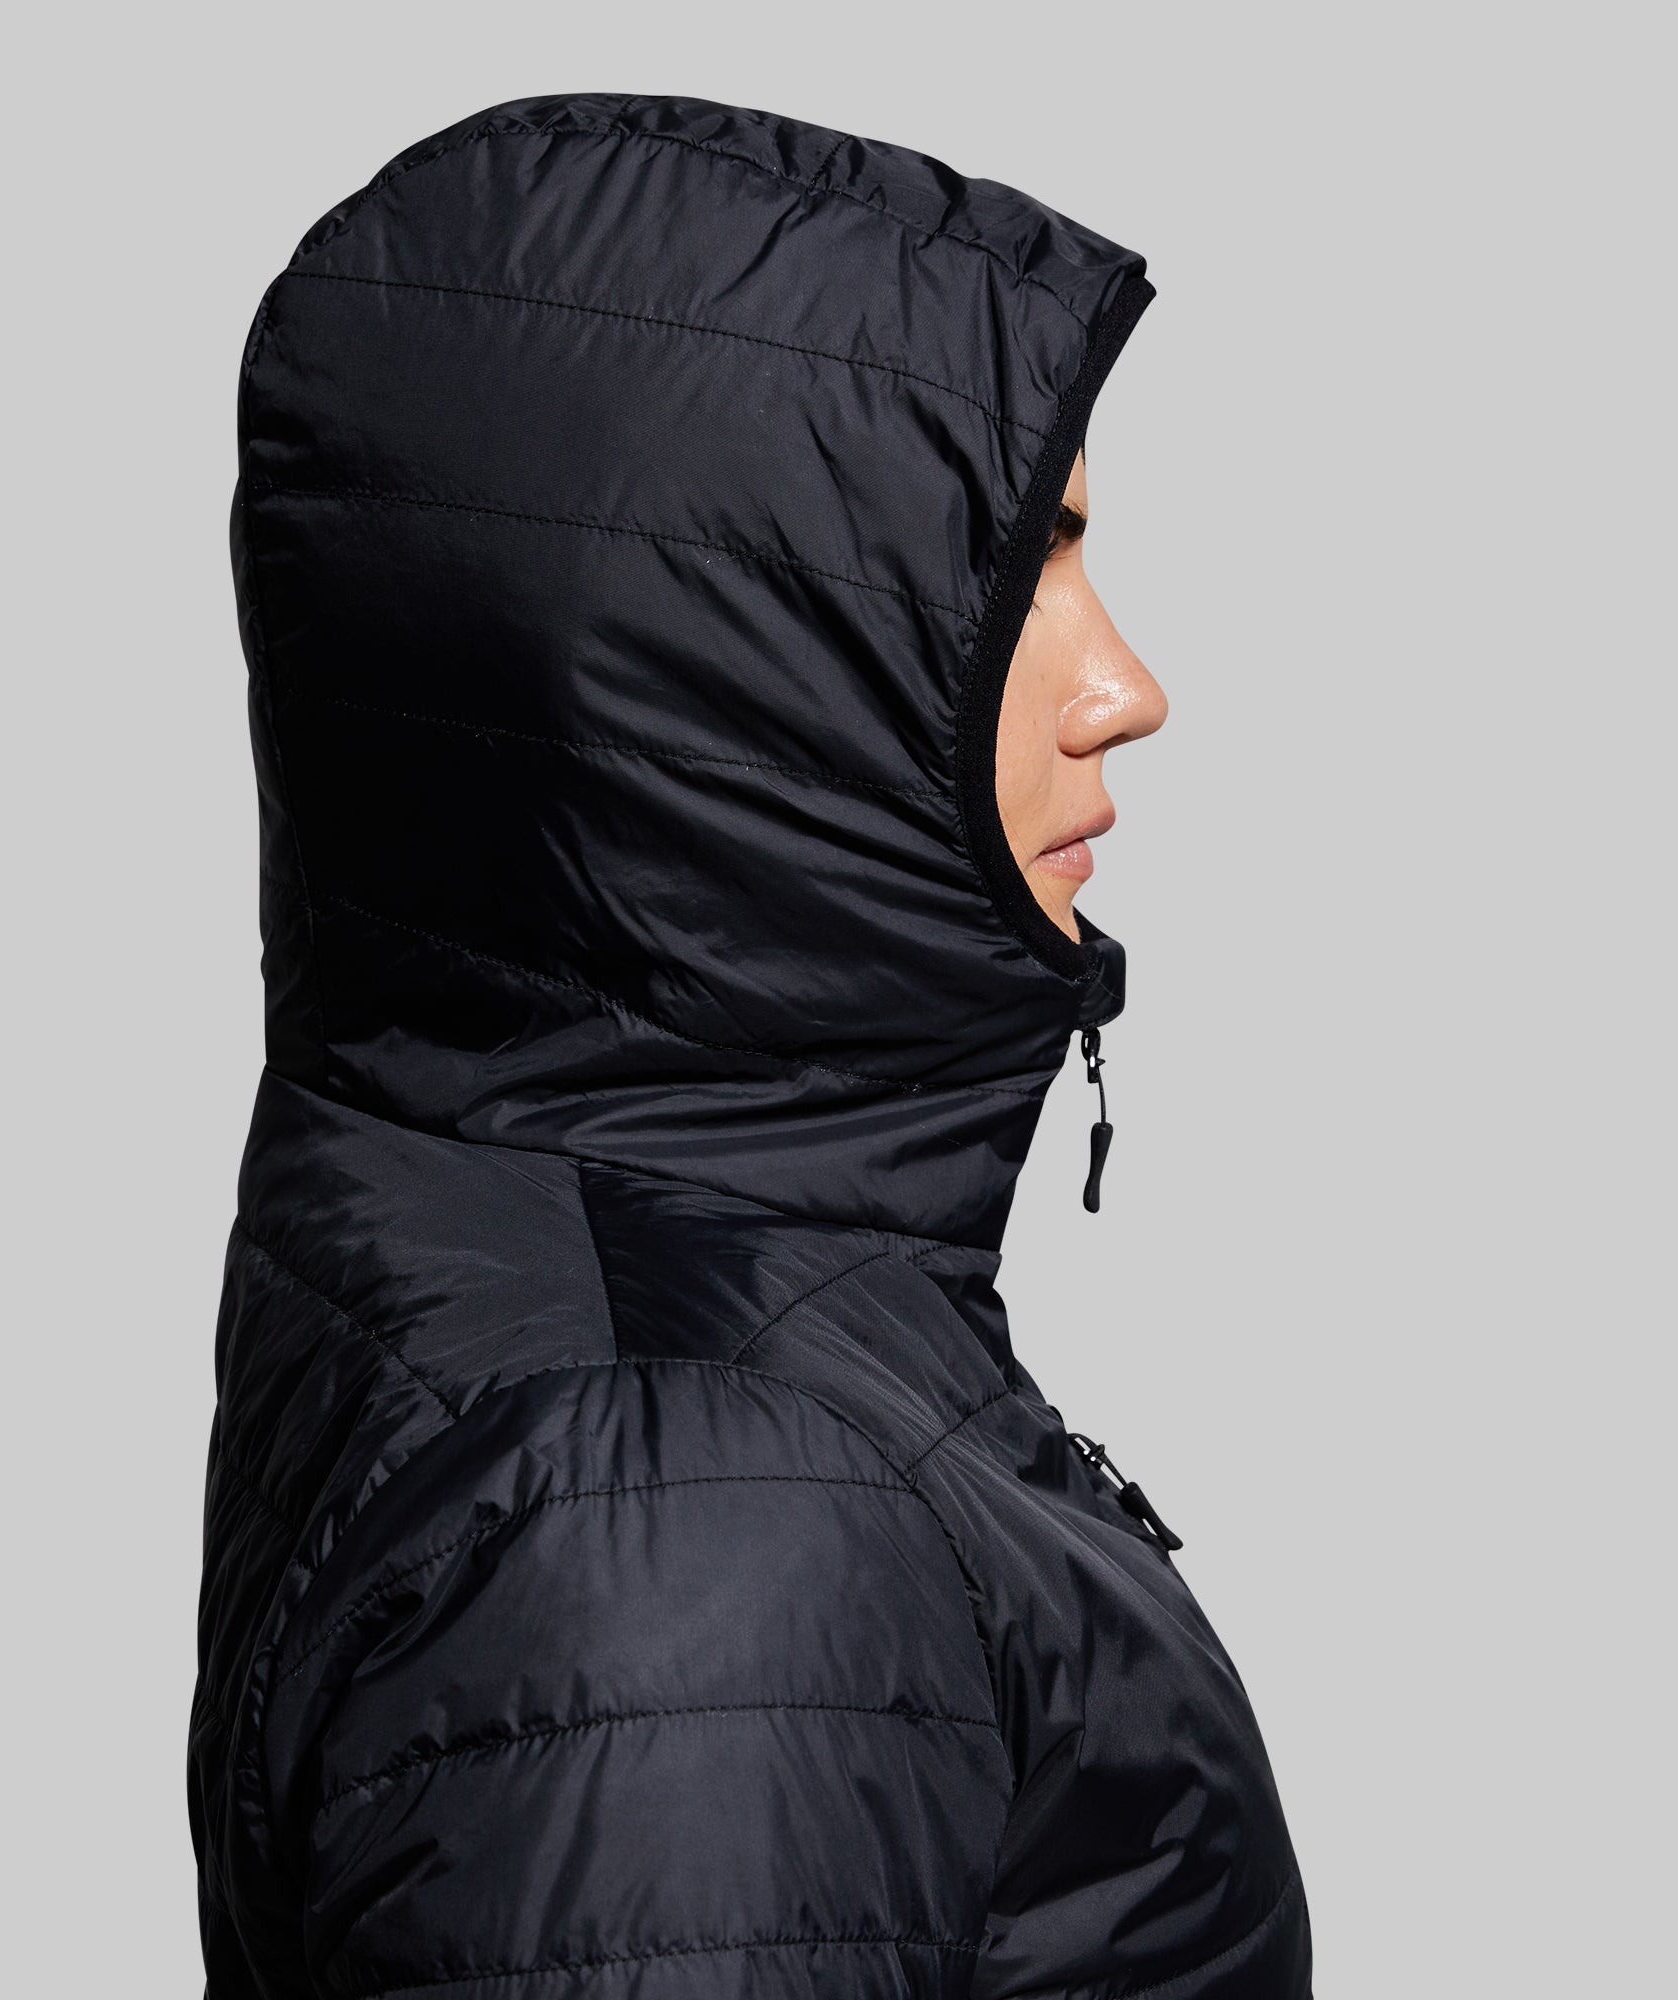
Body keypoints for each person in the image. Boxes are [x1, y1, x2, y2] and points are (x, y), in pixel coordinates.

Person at [191, 94, 1311, 1999]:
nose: (1125, 688)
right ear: (707, 668)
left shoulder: (580, 1254)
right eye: (1026, 566)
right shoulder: (686, 1523)